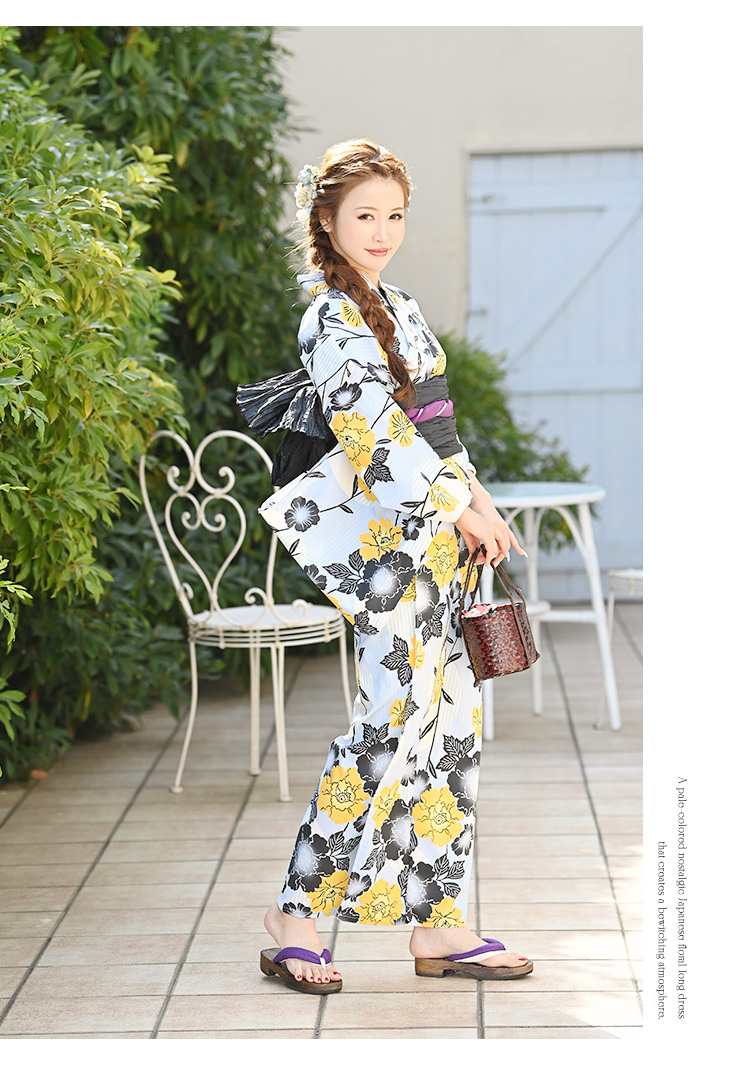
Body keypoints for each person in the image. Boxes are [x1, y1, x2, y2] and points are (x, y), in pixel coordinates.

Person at [255, 140, 532, 994]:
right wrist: (460, 504)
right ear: (328, 220)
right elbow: (374, 433)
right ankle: (295, 913)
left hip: (441, 540)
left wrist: (479, 502)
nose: (382, 231)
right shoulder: (330, 318)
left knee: (450, 726)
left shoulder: (400, 306)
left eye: (395, 215)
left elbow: (437, 424)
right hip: (390, 549)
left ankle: (438, 921)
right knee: (387, 720)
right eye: (365, 215)